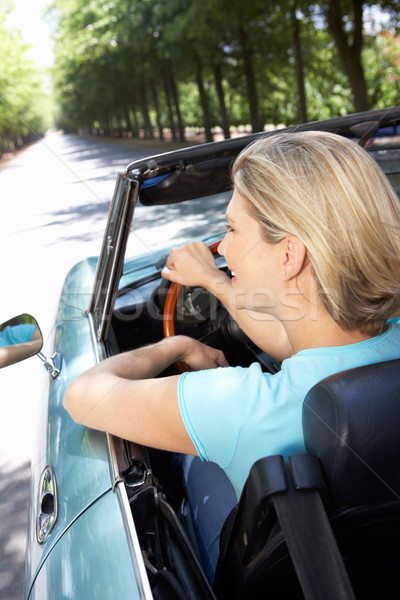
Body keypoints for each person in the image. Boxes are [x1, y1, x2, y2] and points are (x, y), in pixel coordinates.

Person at [63, 130, 400, 581]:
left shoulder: (237, 404)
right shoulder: (386, 334)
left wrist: (175, 346)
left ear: (289, 256)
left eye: (232, 229)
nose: (221, 247)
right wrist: (216, 282)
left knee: (191, 460)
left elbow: (83, 394)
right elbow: (290, 342)